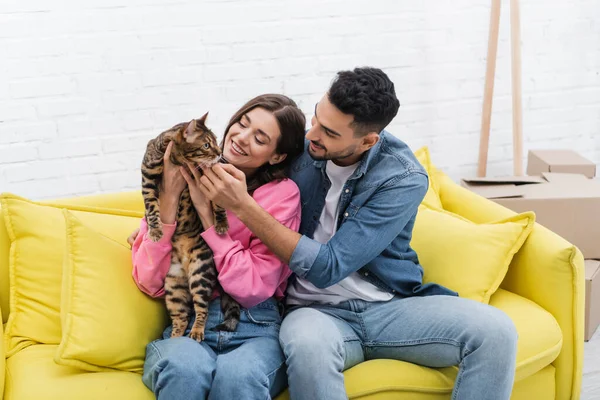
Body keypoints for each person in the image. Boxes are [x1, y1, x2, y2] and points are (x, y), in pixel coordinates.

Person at [197, 67, 519, 400]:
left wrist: (245, 206)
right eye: (317, 118)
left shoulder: (402, 177)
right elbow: (243, 160)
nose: (312, 136)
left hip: (389, 307)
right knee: (308, 345)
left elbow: (328, 267)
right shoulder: (304, 150)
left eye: (330, 133)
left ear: (368, 141)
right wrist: (162, 223)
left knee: (497, 332)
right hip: (312, 313)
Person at [127, 94, 306, 400]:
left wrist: (211, 222)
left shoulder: (282, 196)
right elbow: (150, 282)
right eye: (242, 123)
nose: (241, 138)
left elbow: (251, 288)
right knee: (184, 369)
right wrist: (168, 201)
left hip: (255, 326)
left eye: (260, 138)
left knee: (239, 376)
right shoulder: (181, 175)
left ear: (276, 156)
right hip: (188, 322)